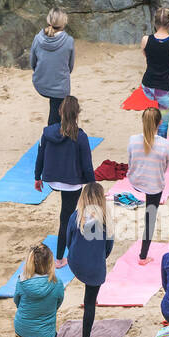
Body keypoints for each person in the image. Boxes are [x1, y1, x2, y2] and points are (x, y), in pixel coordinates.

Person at [34, 95, 96, 266]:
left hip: (52, 180)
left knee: (67, 216)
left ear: (60, 112)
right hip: (71, 182)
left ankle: (63, 253)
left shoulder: (47, 132)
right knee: (66, 218)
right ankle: (60, 258)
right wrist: (93, 186)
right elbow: (87, 165)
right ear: (77, 114)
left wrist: (37, 178)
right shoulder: (81, 137)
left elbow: (40, 156)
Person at [66, 182, 113, 337]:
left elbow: (68, 240)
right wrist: (99, 256)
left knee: (90, 286)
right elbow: (109, 247)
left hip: (75, 262)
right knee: (90, 302)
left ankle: (91, 289)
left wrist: (73, 255)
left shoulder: (76, 216)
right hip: (93, 268)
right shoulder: (106, 221)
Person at [127, 106, 169, 265]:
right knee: (150, 218)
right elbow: (165, 166)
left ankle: (143, 256)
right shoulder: (165, 145)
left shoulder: (133, 140)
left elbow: (130, 160)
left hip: (136, 180)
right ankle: (143, 256)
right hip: (153, 184)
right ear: (160, 123)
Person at [140, 7, 169, 138]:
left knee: (162, 99)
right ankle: (166, 111)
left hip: (147, 87)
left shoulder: (145, 39)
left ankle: (165, 108)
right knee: (163, 125)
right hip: (164, 89)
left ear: (155, 22)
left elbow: (148, 58)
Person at [30, 7, 75, 126]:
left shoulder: (37, 39)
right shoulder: (69, 41)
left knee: (55, 105)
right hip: (59, 88)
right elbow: (70, 67)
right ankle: (51, 137)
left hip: (40, 83)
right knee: (56, 115)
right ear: (63, 23)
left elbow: (32, 63)